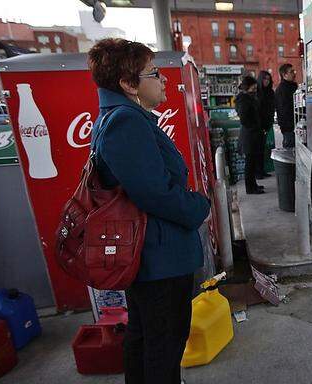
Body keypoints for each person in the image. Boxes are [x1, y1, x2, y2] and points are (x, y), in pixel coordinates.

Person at [87, 38, 211, 384]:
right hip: (159, 257)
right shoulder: (126, 122)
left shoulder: (121, 117)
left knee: (146, 337)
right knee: (163, 345)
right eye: (154, 74)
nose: (164, 80)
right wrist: (199, 206)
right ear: (129, 85)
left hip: (151, 254)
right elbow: (155, 193)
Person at [235, 75, 265, 194]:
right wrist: (254, 126)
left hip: (252, 134)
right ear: (248, 86)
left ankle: (253, 185)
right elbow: (244, 118)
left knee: (252, 162)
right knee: (250, 162)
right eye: (253, 86)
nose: (255, 88)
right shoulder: (244, 99)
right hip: (249, 135)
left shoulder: (249, 97)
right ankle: (250, 188)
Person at [274, 63, 298, 148]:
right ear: (284, 75)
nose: (294, 73)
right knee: (291, 155)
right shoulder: (282, 90)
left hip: (296, 127)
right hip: (289, 130)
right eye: (291, 72)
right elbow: (283, 111)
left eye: (294, 71)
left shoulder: (293, 87)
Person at [256, 70, 275, 179]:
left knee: (262, 149)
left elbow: (271, 108)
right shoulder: (257, 92)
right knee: (257, 150)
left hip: (266, 124)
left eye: (268, 79)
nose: (266, 81)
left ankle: (261, 170)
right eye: (264, 79)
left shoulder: (270, 92)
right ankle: (258, 172)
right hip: (258, 126)